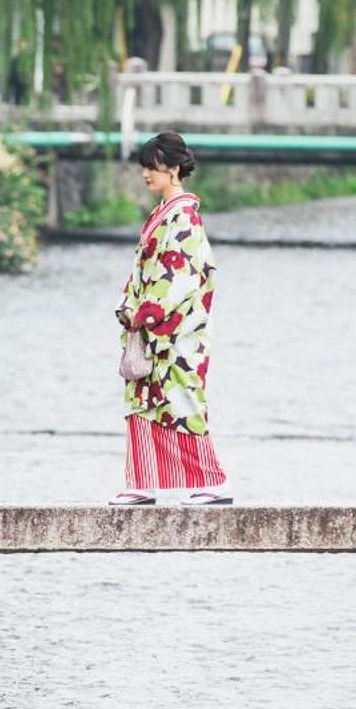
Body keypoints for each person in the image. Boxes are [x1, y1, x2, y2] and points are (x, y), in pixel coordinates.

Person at [111, 131, 230, 506]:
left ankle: (213, 480)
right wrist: (128, 308)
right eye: (145, 166)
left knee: (182, 401)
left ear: (175, 168)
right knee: (142, 400)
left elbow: (181, 276)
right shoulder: (164, 215)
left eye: (155, 166)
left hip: (176, 336)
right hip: (152, 331)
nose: (147, 173)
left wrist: (146, 313)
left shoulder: (184, 218)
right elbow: (145, 270)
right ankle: (142, 482)